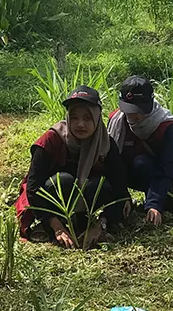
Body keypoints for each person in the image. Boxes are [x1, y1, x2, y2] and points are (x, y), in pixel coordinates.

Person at [15, 86, 131, 247]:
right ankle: (53, 222)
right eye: (74, 117)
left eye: (87, 118)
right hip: (55, 200)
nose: (80, 124)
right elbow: (33, 188)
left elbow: (119, 186)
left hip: (88, 197)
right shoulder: (51, 140)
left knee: (99, 185)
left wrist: (100, 225)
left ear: (97, 119)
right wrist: (57, 227)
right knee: (62, 181)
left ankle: (84, 221)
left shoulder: (105, 143)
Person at [107, 76, 173, 225]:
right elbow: (112, 163)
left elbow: (166, 168)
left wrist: (154, 204)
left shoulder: (165, 126)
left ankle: (157, 200)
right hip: (127, 172)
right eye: (129, 110)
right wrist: (122, 196)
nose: (133, 115)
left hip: (153, 172)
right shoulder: (117, 121)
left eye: (138, 110)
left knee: (142, 162)